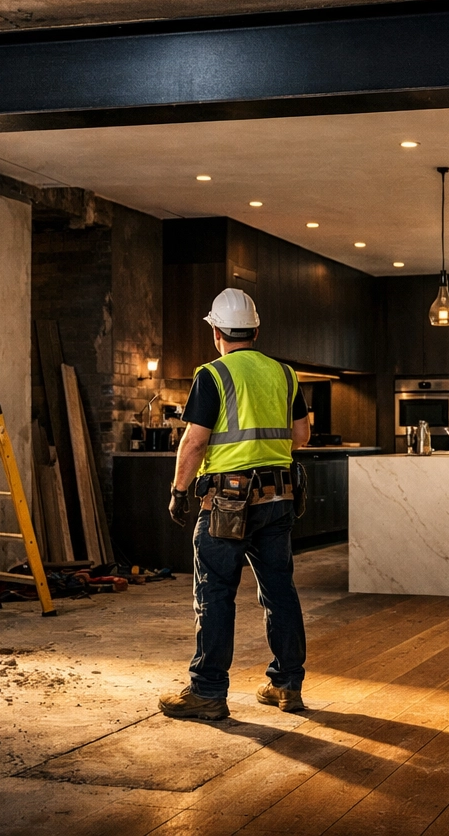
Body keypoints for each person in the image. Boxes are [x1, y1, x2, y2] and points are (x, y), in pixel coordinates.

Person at [158, 288, 311, 721]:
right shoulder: (284, 374)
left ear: (216, 332)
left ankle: (207, 692)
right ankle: (287, 685)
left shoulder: (212, 374)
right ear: (256, 330)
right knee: (279, 591)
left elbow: (195, 440)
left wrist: (178, 489)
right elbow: (301, 437)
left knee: (215, 594)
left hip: (227, 502)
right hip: (279, 497)